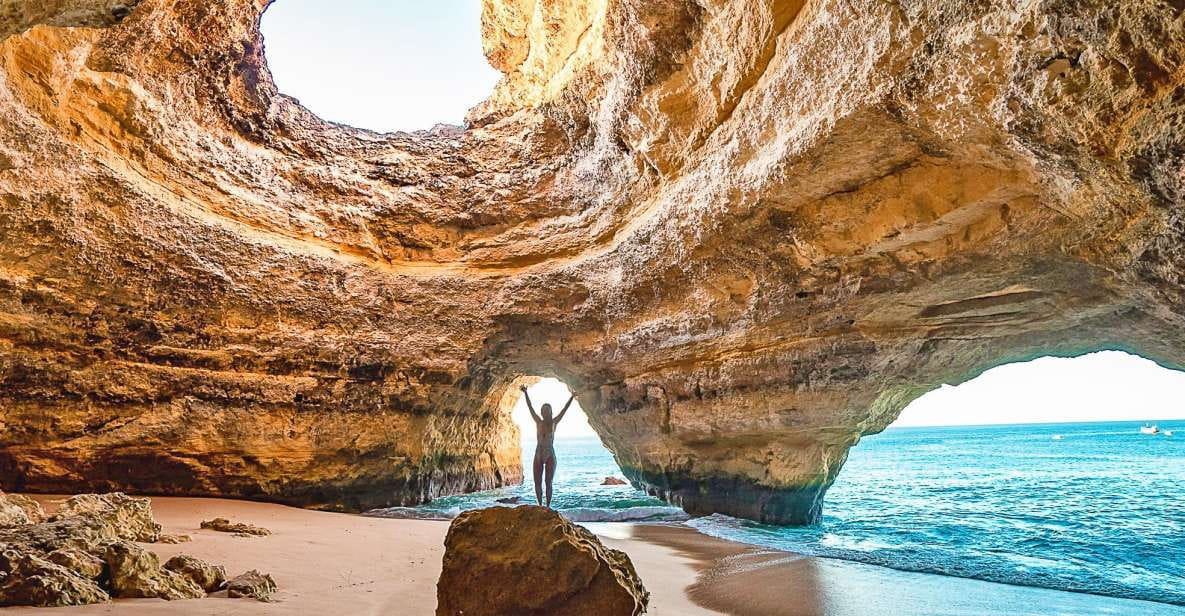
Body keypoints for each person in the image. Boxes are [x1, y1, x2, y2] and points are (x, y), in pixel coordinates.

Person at [519, 384, 575, 508]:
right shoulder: (538, 421)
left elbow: (564, 410)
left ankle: (548, 506)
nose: (544, 412)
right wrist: (525, 393)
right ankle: (540, 505)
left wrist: (572, 397)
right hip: (538, 453)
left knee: (548, 482)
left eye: (546, 410)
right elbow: (530, 407)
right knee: (537, 483)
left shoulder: (554, 422)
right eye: (543, 410)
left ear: (550, 412)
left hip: (550, 453)